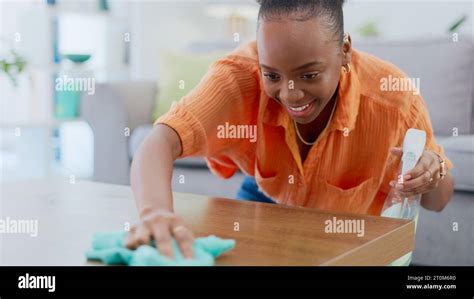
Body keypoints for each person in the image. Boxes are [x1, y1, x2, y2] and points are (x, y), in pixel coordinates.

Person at [125, 0, 454, 259]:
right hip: (265, 196)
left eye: (309, 75)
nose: (291, 94)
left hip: (347, 228)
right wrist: (155, 214)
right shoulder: (237, 76)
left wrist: (430, 174)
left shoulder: (394, 101)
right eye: (272, 75)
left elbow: (438, 201)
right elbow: (160, 141)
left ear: (344, 52)